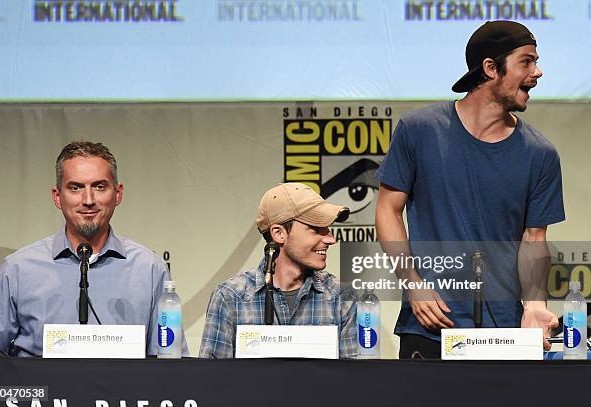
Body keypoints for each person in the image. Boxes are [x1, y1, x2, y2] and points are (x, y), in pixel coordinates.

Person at [375, 21, 565, 359]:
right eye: (527, 61)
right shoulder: (419, 131)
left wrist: (535, 304)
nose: (538, 72)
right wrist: (413, 283)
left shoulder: (541, 154)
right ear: (490, 68)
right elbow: (388, 210)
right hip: (431, 327)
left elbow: (534, 238)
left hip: (504, 332)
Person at [0, 141, 189, 357]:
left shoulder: (150, 270)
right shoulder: (18, 269)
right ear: (57, 197)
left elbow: (170, 361)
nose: (88, 200)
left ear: (118, 194)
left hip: (126, 391)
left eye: (99, 186)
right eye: (75, 187)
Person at [199, 182, 357, 358]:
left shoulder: (341, 297)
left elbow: (353, 381)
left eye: (327, 228)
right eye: (315, 229)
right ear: (279, 233)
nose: (331, 239)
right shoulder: (230, 298)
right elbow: (211, 381)